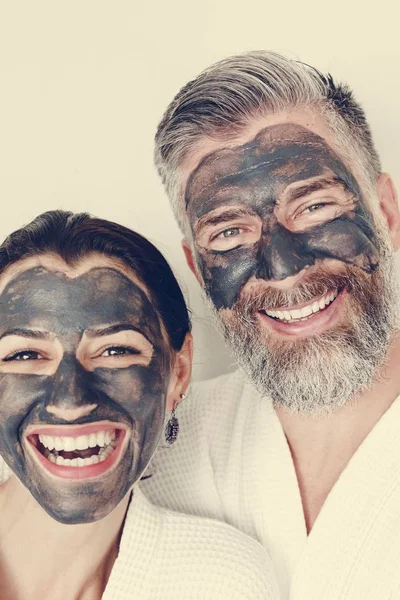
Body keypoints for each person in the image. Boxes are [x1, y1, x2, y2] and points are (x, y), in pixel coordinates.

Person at [143, 51, 400, 599]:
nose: (283, 268)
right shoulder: (161, 451)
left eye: (313, 207)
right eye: (229, 233)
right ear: (196, 266)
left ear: (386, 213)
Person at [0, 209, 280, 600]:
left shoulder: (221, 583)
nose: (70, 400)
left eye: (115, 351)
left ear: (178, 371)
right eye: (24, 356)